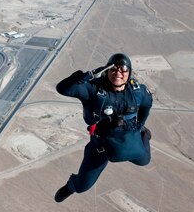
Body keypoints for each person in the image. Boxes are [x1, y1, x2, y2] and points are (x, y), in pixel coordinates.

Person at [54, 52, 153, 203]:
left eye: (123, 69)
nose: (118, 72)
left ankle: (145, 136)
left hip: (128, 136)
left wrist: (140, 126)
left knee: (144, 160)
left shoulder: (136, 91)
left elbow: (147, 103)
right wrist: (89, 75)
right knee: (82, 186)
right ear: (106, 70)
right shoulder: (94, 90)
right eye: (113, 68)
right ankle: (70, 187)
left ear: (129, 73)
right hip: (101, 145)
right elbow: (63, 88)